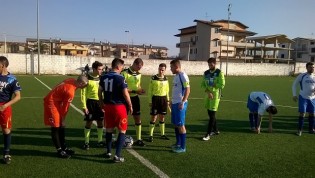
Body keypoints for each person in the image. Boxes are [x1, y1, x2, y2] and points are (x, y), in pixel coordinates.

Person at [44, 75, 88, 158]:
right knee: (56, 126)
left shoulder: (71, 80)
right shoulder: (70, 91)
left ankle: (64, 147)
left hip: (57, 100)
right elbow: (65, 108)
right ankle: (59, 150)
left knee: (61, 126)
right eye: (85, 85)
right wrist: (63, 120)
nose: (85, 86)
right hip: (51, 102)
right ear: (81, 83)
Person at [98, 58, 133, 163]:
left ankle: (108, 152)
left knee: (109, 129)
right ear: (118, 67)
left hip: (107, 106)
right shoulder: (120, 78)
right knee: (122, 130)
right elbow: (125, 94)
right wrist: (130, 105)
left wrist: (101, 103)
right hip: (119, 107)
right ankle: (117, 155)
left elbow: (99, 92)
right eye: (122, 66)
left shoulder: (103, 77)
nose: (122, 68)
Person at [0, 56, 21, 164]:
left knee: (6, 130)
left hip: (4, 107)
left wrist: (5, 106)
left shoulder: (12, 79)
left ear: (3, 65)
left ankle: (6, 153)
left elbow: (18, 96)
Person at [121, 58, 146, 146]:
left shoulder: (139, 74)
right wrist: (135, 91)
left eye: (141, 67)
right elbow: (122, 89)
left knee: (137, 118)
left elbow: (138, 85)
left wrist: (140, 90)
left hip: (135, 98)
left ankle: (139, 138)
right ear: (134, 64)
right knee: (123, 119)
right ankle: (119, 138)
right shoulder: (124, 73)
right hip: (125, 99)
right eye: (138, 67)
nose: (139, 69)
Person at [80, 61, 104, 150]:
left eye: (102, 69)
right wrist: (84, 106)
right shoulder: (87, 78)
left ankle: (100, 141)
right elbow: (83, 93)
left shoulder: (102, 78)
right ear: (94, 69)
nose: (101, 71)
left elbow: (103, 92)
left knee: (100, 122)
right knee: (89, 122)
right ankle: (86, 142)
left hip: (100, 103)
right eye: (99, 69)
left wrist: (104, 104)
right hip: (90, 103)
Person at [201, 58, 225, 141]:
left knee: (212, 115)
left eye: (211, 64)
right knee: (209, 113)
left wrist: (214, 85)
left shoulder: (219, 72)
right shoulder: (206, 73)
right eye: (209, 64)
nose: (210, 66)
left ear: (215, 64)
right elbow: (202, 84)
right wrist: (208, 92)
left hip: (215, 95)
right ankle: (216, 130)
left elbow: (222, 85)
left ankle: (208, 134)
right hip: (208, 95)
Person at [170, 59, 190, 153]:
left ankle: (183, 147)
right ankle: (178, 143)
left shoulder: (183, 75)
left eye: (171, 67)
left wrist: (183, 101)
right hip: (174, 103)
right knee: (176, 124)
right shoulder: (176, 76)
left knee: (181, 125)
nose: (170, 69)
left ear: (176, 67)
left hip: (180, 104)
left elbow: (188, 90)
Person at [147, 63, 170, 142]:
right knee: (154, 117)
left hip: (163, 99)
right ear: (158, 69)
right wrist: (150, 101)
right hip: (155, 99)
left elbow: (167, 90)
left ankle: (162, 134)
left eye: (162, 70)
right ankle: (150, 135)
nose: (161, 71)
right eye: (160, 69)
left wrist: (167, 100)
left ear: (165, 70)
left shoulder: (166, 79)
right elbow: (150, 90)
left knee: (162, 117)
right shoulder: (153, 78)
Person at [292, 62, 315, 136]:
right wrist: (294, 95)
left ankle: (311, 129)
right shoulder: (302, 76)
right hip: (303, 97)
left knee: (312, 114)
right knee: (302, 113)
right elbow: (294, 85)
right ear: (307, 68)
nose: (312, 68)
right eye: (310, 67)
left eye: (313, 67)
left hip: (312, 98)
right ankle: (299, 130)